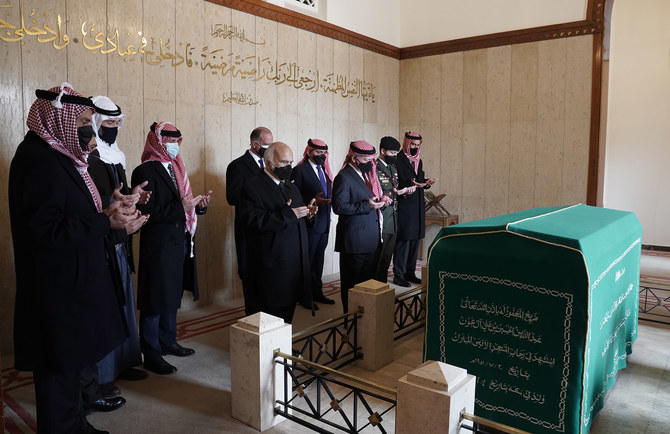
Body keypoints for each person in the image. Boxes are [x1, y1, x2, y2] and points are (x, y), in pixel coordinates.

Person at [8, 83, 143, 433]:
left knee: (73, 364)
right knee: (58, 372)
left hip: (74, 283)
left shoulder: (62, 158)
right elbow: (46, 231)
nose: (88, 126)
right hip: (56, 289)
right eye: (83, 119)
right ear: (59, 117)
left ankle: (77, 425)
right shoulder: (37, 160)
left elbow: (77, 213)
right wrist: (104, 220)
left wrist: (112, 209)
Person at [131, 121, 212, 375]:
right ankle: (152, 352)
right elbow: (146, 211)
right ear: (157, 141)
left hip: (180, 241)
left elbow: (183, 203)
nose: (174, 145)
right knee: (155, 299)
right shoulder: (145, 171)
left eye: (177, 140)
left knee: (171, 295)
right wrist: (183, 208)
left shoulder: (177, 167)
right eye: (169, 141)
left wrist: (198, 206)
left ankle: (168, 341)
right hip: (159, 244)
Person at [87, 95, 150, 392]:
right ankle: (103, 374)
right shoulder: (89, 157)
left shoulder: (117, 156)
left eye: (116, 123)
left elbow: (117, 194)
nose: (112, 128)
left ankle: (125, 362)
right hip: (101, 238)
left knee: (124, 300)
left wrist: (133, 197)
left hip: (120, 238)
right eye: (107, 122)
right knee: (106, 307)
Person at [240, 142, 316, 324]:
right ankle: (269, 351)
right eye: (283, 162)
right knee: (270, 313)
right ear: (268, 163)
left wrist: (309, 215)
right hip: (271, 264)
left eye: (290, 162)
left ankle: (283, 349)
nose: (288, 167)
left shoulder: (291, 186)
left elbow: (298, 215)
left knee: (288, 311)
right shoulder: (252, 187)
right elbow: (252, 221)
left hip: (293, 264)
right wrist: (288, 215)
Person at [332, 141, 391, 313]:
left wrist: (382, 202)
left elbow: (371, 201)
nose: (371, 164)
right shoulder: (344, 177)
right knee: (352, 284)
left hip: (371, 239)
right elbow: (339, 207)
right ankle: (350, 317)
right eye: (367, 160)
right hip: (354, 242)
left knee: (367, 283)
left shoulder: (368, 175)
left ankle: (366, 318)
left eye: (371, 160)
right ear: (355, 158)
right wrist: (368, 206)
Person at [226, 127, 274, 315]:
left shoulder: (271, 164)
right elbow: (232, 197)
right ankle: (253, 316)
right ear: (255, 144)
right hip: (249, 229)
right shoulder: (237, 166)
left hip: (270, 227)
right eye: (267, 144)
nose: (270, 148)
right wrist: (259, 195)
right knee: (251, 274)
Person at [291, 139, 336, 310]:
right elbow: (295, 197)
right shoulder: (299, 170)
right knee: (306, 262)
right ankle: (304, 297)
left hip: (324, 223)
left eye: (324, 153)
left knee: (318, 261)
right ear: (309, 152)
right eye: (318, 153)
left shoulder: (324, 171)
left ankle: (317, 292)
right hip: (309, 224)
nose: (322, 156)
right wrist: (312, 203)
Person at [393, 131, 437, 287]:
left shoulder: (418, 161)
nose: (415, 148)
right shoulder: (398, 159)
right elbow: (396, 183)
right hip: (404, 205)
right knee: (404, 240)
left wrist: (427, 182)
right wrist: (408, 187)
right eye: (412, 144)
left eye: (417, 145)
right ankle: (398, 274)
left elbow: (418, 181)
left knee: (415, 240)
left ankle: (409, 272)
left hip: (417, 206)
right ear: (406, 143)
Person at [374, 136, 416, 284]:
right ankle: (376, 288)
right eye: (391, 153)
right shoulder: (375, 167)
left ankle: (382, 288)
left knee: (387, 256)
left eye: (395, 153)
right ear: (382, 151)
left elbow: (394, 190)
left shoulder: (393, 168)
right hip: (381, 217)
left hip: (393, 216)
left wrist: (404, 191)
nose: (394, 156)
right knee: (379, 257)